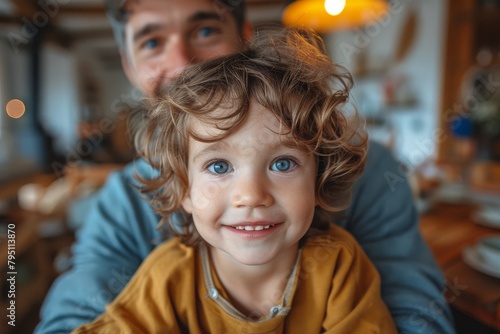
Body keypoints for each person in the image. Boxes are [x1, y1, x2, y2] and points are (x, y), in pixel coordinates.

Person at [36, 0, 455, 333]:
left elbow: (418, 311)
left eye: (205, 30)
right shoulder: (137, 226)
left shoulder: (359, 209)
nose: (184, 62)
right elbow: (75, 317)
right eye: (152, 42)